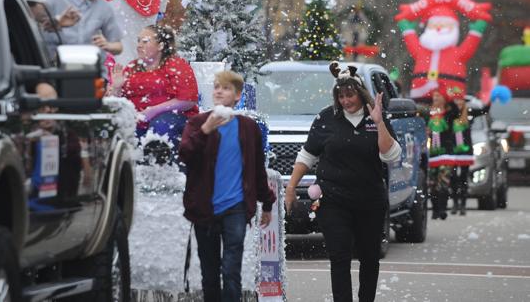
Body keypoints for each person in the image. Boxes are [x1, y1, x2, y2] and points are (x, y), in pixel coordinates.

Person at [284, 63, 402, 302]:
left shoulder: (375, 116)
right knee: (339, 256)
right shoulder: (326, 118)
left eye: (350, 95)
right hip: (333, 199)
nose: (346, 100)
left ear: (360, 93)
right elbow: (307, 155)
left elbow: (391, 155)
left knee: (369, 257)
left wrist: (379, 123)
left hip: (369, 200)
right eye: (341, 96)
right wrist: (291, 187)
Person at [179, 71, 275, 302]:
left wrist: (268, 202)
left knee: (231, 272)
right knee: (209, 275)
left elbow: (256, 168)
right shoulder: (197, 123)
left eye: (226, 88)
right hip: (205, 209)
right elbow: (185, 155)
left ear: (237, 96)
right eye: (216, 87)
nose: (219, 91)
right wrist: (205, 131)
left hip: (237, 208)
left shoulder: (248, 127)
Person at [109, 24, 198, 163]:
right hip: (138, 121)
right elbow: (115, 103)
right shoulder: (132, 67)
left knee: (161, 124)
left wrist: (153, 111)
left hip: (172, 120)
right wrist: (116, 88)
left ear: (161, 46)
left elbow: (188, 100)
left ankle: (162, 171)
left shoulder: (175, 64)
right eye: (138, 41)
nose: (139, 45)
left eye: (145, 41)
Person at [426, 88, 460, 220]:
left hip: (446, 154)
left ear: (444, 99)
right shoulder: (429, 113)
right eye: (434, 95)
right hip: (433, 154)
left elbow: (457, 112)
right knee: (432, 184)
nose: (435, 98)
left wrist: (451, 100)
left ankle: (442, 209)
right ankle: (435, 209)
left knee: (443, 183)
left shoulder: (449, 114)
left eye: (438, 96)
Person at [449, 92, 475, 215]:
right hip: (453, 152)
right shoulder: (452, 115)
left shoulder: (469, 115)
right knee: (453, 178)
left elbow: (484, 110)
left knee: (463, 178)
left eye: (461, 101)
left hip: (465, 152)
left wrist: (491, 99)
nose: (459, 103)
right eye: (457, 101)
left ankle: (463, 205)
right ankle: (455, 204)